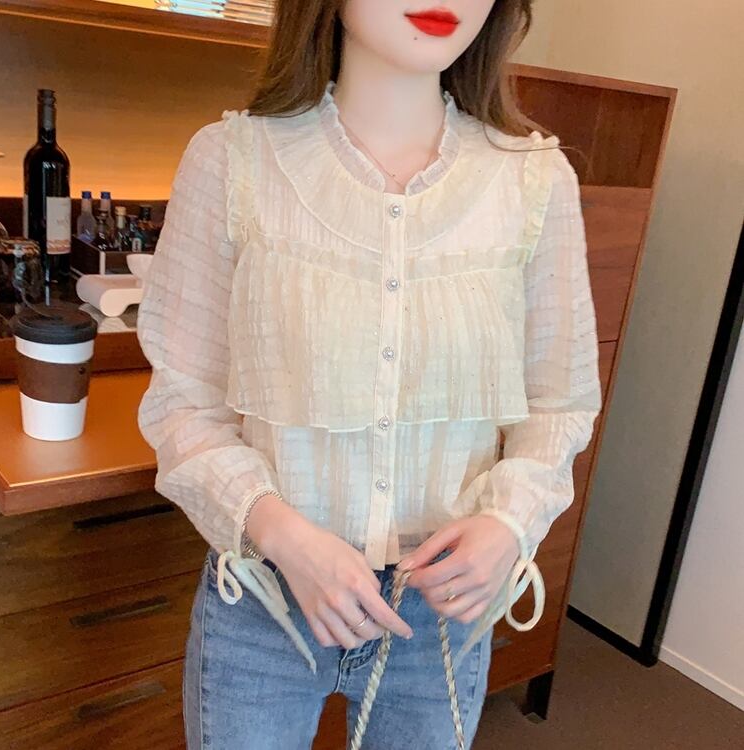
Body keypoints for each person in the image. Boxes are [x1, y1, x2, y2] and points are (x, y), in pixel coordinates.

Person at [136, 1, 603, 747]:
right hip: (265, 600)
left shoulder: (535, 182)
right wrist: (282, 533)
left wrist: (509, 524)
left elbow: (559, 401)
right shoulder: (232, 162)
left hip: (441, 612)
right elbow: (183, 402)